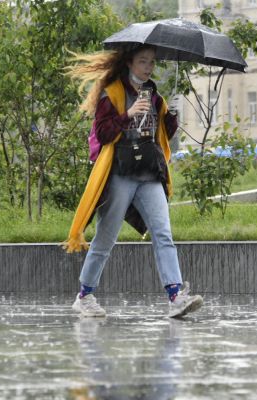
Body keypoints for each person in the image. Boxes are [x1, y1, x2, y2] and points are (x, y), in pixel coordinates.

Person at [64, 44, 203, 319]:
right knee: (106, 238)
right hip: (120, 172)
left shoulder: (154, 96)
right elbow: (103, 133)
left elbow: (162, 132)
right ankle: (85, 295)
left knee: (163, 233)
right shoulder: (113, 93)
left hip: (149, 173)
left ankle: (175, 295)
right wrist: (127, 114)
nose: (149, 67)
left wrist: (171, 114)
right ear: (129, 62)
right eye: (143, 61)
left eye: (152, 62)